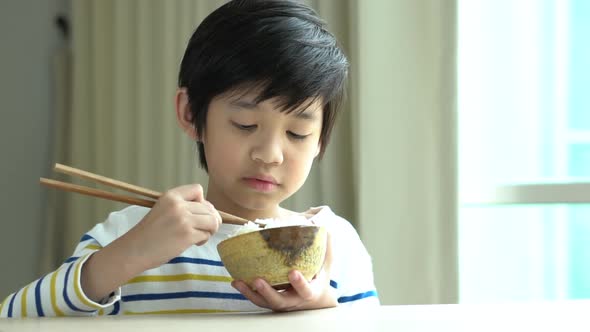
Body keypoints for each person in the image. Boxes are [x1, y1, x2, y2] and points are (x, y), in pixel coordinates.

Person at [0, 0, 378, 317]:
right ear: (191, 113)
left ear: (321, 140)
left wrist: (324, 311)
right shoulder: (134, 232)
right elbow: (14, 317)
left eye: (297, 133)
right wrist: (130, 253)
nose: (270, 154)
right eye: (245, 124)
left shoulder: (336, 244)